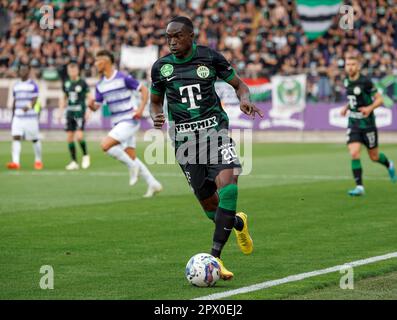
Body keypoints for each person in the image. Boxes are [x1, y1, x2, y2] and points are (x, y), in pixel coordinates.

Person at [150, 16, 263, 280]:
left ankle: (215, 259)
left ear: (191, 36)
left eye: (177, 36)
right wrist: (155, 115)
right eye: (168, 37)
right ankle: (238, 222)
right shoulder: (161, 68)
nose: (172, 42)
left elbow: (239, 85)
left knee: (229, 187)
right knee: (211, 206)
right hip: (185, 144)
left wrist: (244, 99)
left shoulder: (210, 58)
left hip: (216, 135)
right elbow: (155, 102)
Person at [89, 50, 162, 198]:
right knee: (131, 156)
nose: (95, 64)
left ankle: (132, 166)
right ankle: (152, 183)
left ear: (106, 61)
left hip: (129, 119)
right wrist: (90, 105)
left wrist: (141, 109)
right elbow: (96, 106)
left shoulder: (122, 77)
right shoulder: (100, 85)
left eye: (97, 61)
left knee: (105, 145)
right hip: (117, 123)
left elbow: (144, 90)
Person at [340, 53, 395, 196]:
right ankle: (360, 187)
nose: (350, 67)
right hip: (353, 123)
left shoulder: (366, 82)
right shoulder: (346, 81)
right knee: (354, 153)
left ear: (358, 66)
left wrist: (369, 108)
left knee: (374, 157)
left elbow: (380, 100)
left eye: (352, 65)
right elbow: (353, 98)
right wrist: (346, 108)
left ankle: (389, 164)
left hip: (368, 124)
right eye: (347, 65)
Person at [7, 64, 43, 170]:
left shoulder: (33, 85)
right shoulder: (16, 85)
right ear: (19, 72)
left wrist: (28, 106)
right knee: (16, 137)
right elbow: (15, 100)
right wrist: (13, 115)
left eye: (25, 70)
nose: (23, 72)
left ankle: (38, 161)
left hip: (30, 117)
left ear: (28, 72)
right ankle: (15, 162)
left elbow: (35, 99)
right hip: (18, 117)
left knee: (35, 139)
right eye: (21, 70)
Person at [59, 61, 91, 170]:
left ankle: (86, 155)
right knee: (69, 138)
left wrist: (88, 112)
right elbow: (64, 98)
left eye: (73, 70)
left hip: (79, 112)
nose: (71, 72)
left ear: (77, 71)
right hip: (69, 112)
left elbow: (89, 98)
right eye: (70, 70)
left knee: (79, 136)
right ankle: (74, 162)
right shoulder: (66, 83)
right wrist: (60, 111)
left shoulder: (82, 83)